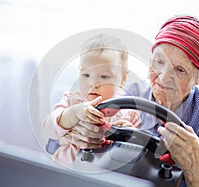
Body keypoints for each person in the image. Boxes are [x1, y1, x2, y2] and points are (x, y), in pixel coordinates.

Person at [56, 16, 199, 187]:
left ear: (198, 79)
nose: (164, 77)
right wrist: (79, 133)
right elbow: (64, 146)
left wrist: (194, 167)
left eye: (180, 70)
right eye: (159, 62)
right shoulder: (125, 94)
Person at [42, 34, 141, 166]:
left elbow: (137, 153)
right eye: (86, 75)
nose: (93, 83)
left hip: (109, 175)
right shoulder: (72, 100)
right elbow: (49, 127)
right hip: (67, 170)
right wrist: (73, 113)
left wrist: (129, 134)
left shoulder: (129, 111)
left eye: (104, 76)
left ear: (123, 79)